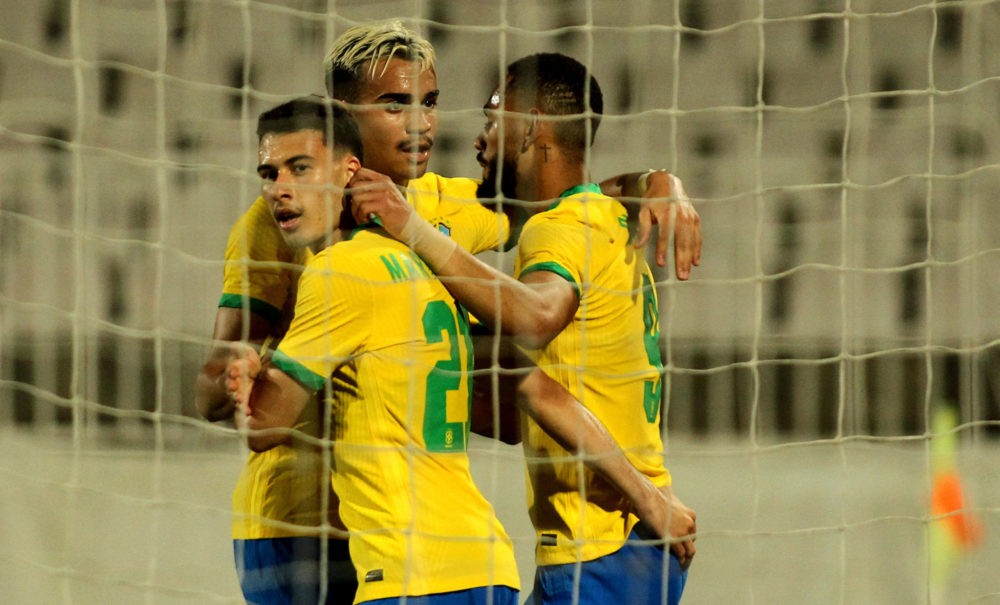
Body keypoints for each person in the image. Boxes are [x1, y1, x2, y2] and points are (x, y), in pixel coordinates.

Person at [195, 19, 702, 602]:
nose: (421, 123)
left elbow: (559, 188)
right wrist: (239, 375)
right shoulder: (270, 224)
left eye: (429, 102)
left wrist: (658, 182)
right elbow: (215, 385)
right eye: (394, 105)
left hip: (414, 542)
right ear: (340, 113)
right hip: (299, 523)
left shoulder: (443, 204)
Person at [349, 53, 696, 605]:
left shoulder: (556, 232)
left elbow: (536, 317)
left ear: (530, 127)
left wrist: (412, 229)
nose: (479, 138)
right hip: (632, 546)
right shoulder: (609, 215)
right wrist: (657, 178)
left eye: (492, 117)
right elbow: (521, 404)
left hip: (598, 551)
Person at [225, 95, 521, 605]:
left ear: (350, 168)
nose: (281, 190)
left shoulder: (339, 272)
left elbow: (264, 427)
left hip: (406, 571)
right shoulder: (427, 255)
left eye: (300, 169)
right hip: (486, 562)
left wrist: (248, 376)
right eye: (269, 174)